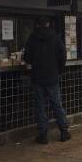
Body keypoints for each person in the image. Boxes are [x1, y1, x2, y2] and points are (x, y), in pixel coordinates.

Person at [24, 16, 71, 144]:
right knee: (57, 104)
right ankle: (64, 131)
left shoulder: (32, 38)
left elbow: (27, 57)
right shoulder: (56, 37)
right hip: (52, 76)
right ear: (48, 23)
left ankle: (43, 135)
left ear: (37, 24)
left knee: (40, 106)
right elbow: (63, 55)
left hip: (37, 76)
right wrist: (59, 70)